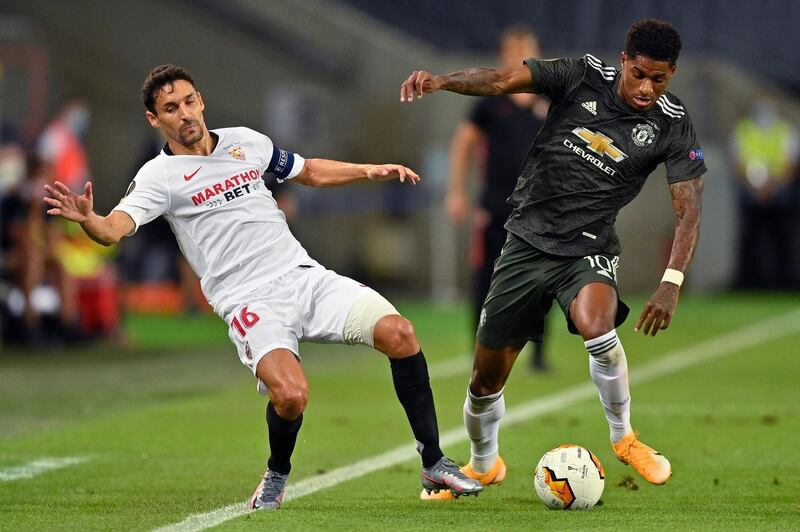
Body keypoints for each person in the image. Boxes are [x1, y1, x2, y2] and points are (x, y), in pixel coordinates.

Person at [43, 65, 482, 509]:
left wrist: (368, 171)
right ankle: (276, 473)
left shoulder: (244, 142)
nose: (185, 114)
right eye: (170, 109)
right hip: (248, 301)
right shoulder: (159, 177)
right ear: (155, 120)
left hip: (303, 277)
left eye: (189, 101)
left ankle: (433, 460)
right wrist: (91, 221)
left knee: (401, 334)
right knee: (291, 396)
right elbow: (115, 228)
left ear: (202, 101)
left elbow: (308, 171)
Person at [400, 18, 706, 497]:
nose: (647, 88)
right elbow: (503, 80)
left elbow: (688, 210)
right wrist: (442, 80)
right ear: (623, 61)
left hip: (588, 247)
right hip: (526, 240)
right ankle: (484, 463)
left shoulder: (671, 122)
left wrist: (671, 282)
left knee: (597, 324)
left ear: (673, 74)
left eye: (660, 78)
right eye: (639, 74)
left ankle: (624, 437)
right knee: (485, 378)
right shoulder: (581, 75)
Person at [444, 25, 550, 371]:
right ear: (504, 55)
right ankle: (479, 347)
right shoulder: (491, 100)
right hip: (494, 206)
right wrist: (457, 190)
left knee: (540, 279)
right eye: (513, 50)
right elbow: (464, 143)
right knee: (487, 278)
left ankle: (537, 355)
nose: (519, 57)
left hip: (539, 208)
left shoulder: (547, 98)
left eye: (526, 50)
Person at [729, 93, 800, 289]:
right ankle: (750, 282)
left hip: (781, 194)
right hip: (751, 193)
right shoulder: (744, 130)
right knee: (750, 239)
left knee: (783, 239)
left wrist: (773, 187)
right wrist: (756, 187)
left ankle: (786, 281)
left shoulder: (785, 130)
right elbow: (737, 161)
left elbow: (791, 163)